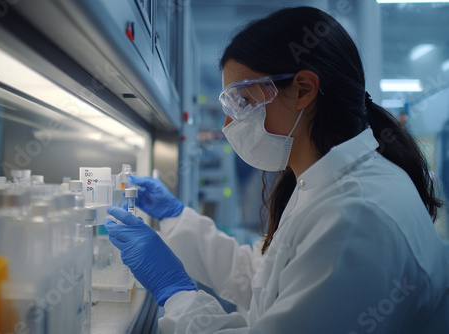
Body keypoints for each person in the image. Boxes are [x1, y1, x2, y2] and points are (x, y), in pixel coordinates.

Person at [105, 6, 449, 333]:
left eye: (241, 101)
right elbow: (261, 279)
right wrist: (177, 217)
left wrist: (176, 292)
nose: (228, 123)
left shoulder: (356, 216)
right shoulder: (323, 185)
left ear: (303, 90)